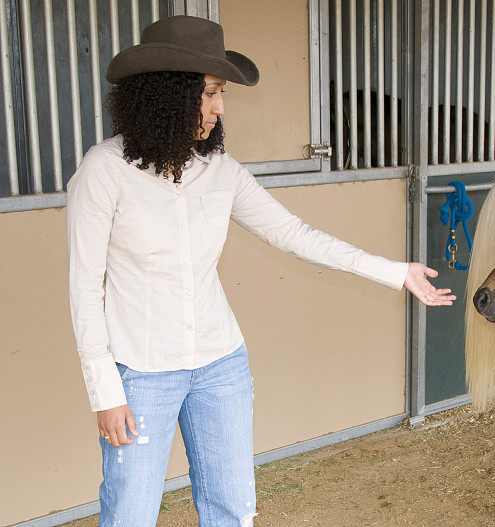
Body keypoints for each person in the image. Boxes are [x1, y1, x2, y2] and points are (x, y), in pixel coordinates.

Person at [66, 15, 455, 526]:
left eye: (220, 92)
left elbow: (295, 234)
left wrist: (393, 270)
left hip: (220, 364)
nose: (220, 107)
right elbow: (83, 286)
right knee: (128, 516)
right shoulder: (104, 171)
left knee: (232, 511)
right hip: (140, 372)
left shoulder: (220, 171)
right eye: (208, 93)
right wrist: (105, 393)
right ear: (166, 94)